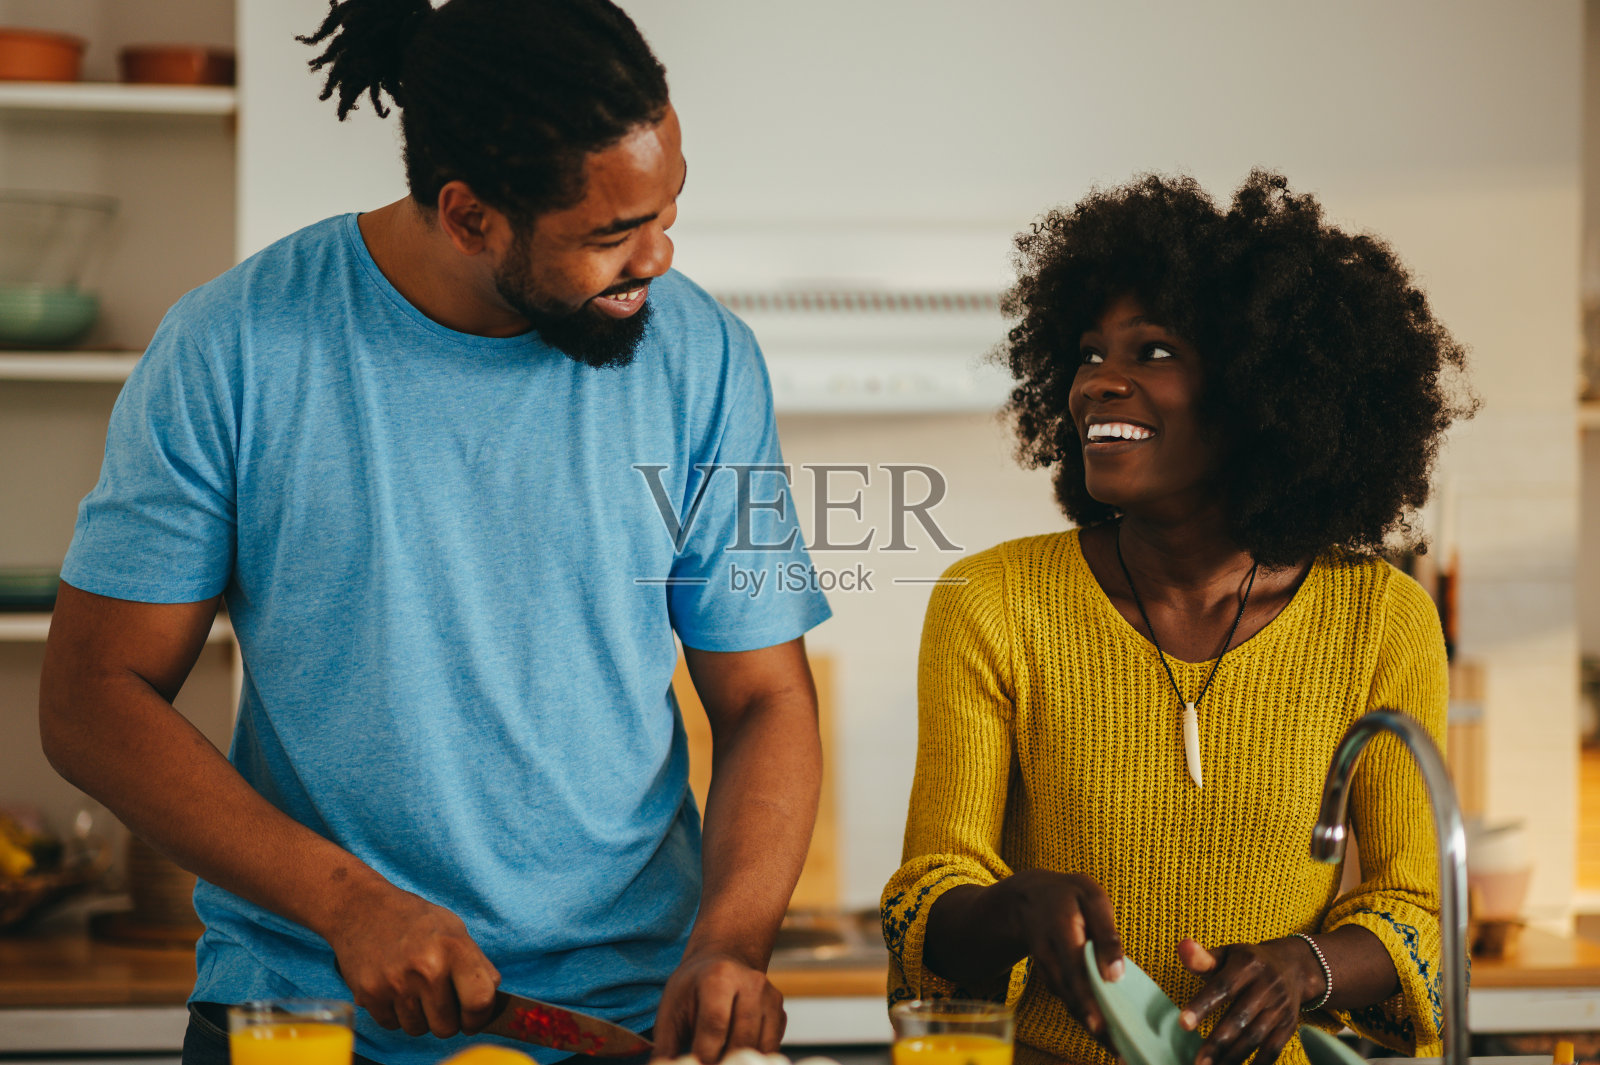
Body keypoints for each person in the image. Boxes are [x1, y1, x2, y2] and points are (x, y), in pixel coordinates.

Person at [38, 3, 830, 1064]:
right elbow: (93, 698)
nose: (659, 257)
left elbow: (766, 696)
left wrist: (730, 943)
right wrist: (348, 904)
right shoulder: (236, 344)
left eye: (666, 207)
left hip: (621, 1022)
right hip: (305, 1020)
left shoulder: (703, 358)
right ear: (468, 216)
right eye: (609, 235)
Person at [881, 171, 1473, 1065]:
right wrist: (1013, 907)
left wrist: (1301, 967)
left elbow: (1417, 908)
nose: (1097, 384)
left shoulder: (1379, 618)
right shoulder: (993, 602)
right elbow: (926, 899)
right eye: (1086, 353)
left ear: (1261, 391)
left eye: (1152, 352)